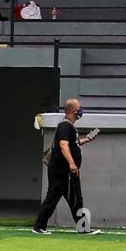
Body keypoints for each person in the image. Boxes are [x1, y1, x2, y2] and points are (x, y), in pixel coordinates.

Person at [33, 98, 100, 235]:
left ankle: (82, 228)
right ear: (73, 111)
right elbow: (63, 145)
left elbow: (72, 144)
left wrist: (86, 140)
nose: (81, 111)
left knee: (75, 198)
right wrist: (71, 163)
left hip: (66, 171)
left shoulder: (69, 126)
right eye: (79, 108)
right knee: (55, 197)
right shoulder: (65, 126)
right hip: (62, 171)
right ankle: (39, 226)